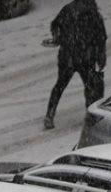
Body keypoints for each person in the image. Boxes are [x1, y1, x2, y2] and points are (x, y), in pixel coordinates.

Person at [43, 0, 107, 130]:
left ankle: (49, 115)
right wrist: (101, 57)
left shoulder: (67, 9)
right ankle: (91, 116)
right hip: (86, 57)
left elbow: (55, 24)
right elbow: (101, 37)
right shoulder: (93, 13)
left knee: (60, 85)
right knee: (90, 86)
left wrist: (58, 38)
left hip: (67, 56)